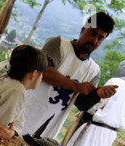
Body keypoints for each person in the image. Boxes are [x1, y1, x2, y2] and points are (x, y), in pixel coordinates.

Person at [21, 11, 118, 139]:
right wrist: (76, 86)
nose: (94, 40)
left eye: (100, 38)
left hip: (48, 127)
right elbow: (44, 71)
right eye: (92, 33)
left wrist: (97, 94)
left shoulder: (94, 70)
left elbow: (82, 104)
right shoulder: (59, 44)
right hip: (24, 110)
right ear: (83, 29)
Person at [65, 57, 125, 146]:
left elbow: (98, 103)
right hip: (111, 134)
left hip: (95, 129)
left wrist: (88, 109)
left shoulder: (115, 82)